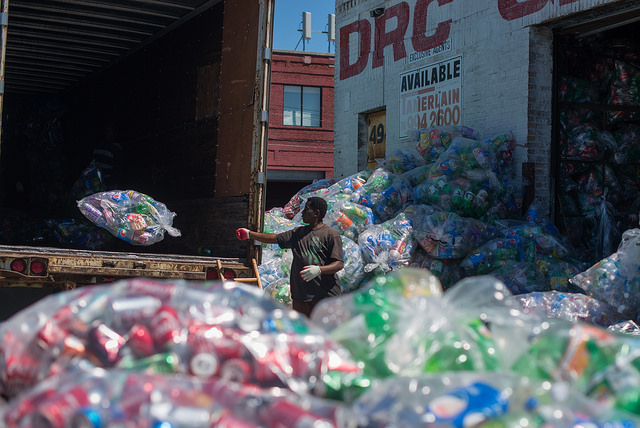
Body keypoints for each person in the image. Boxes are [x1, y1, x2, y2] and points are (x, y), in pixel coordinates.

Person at [236, 196, 344, 317]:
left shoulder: (330, 234)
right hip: (301, 296)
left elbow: (339, 263)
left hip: (324, 296)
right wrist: (249, 234)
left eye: (306, 209)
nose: (302, 212)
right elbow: (274, 238)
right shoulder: (297, 233)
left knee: (324, 331)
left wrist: (319, 270)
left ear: (316, 213)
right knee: (302, 331)